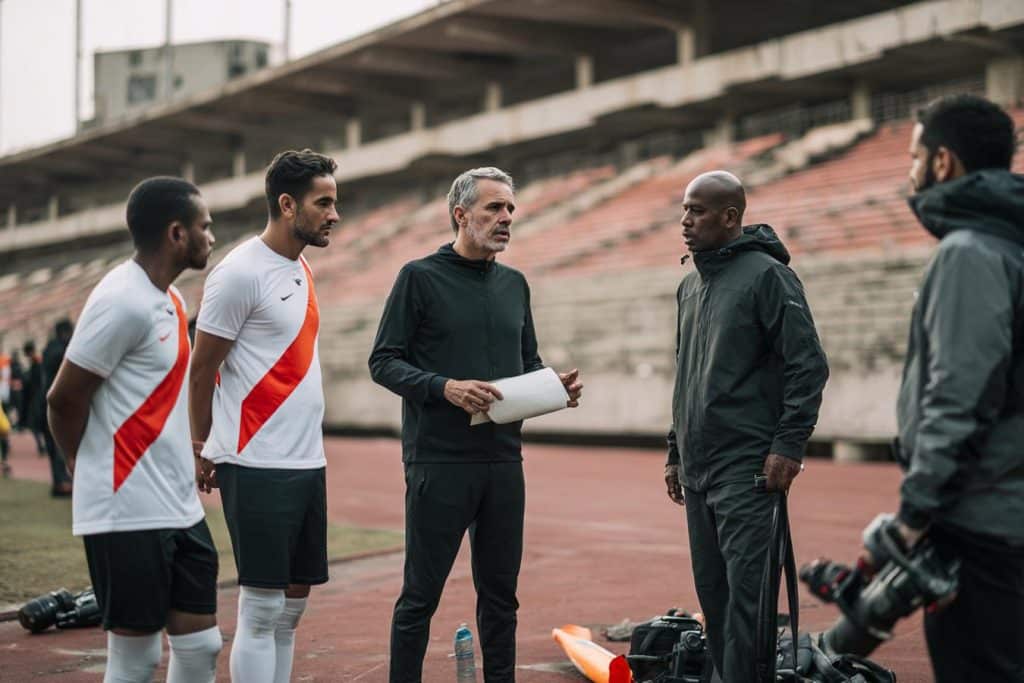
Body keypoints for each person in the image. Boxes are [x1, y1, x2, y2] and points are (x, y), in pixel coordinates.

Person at [369, 166, 583, 683]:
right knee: (420, 596)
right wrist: (445, 386)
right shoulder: (418, 277)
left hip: (503, 462)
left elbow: (526, 362)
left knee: (501, 597)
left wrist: (554, 387)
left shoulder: (515, 284)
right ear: (461, 215)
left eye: (510, 208)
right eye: (495, 208)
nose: (507, 217)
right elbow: (384, 361)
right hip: (438, 461)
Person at [46, 176, 220, 683]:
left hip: (178, 502)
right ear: (176, 234)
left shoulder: (172, 300)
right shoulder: (120, 300)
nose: (211, 236)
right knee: (137, 658)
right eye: (203, 227)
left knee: (202, 645)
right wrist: (80, 462)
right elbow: (63, 397)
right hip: (125, 510)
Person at [879, 93, 1024, 682]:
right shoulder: (1011, 245)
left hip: (981, 516)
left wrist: (915, 513)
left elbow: (959, 396)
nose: (910, 173)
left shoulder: (968, 254)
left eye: (915, 157)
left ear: (943, 164)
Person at [663, 171, 829, 682]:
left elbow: (809, 364)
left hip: (748, 470)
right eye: (684, 211)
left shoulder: (767, 276)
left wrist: (788, 445)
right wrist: (675, 451)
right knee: (714, 602)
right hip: (697, 471)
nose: (685, 222)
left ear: (731, 217)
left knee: (748, 606)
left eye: (697, 211)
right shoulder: (689, 286)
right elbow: (685, 374)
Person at [189, 149, 339, 683]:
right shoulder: (238, 273)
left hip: (306, 461)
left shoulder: (300, 266)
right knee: (260, 609)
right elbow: (202, 368)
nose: (333, 214)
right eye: (323, 203)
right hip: (253, 462)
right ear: (286, 203)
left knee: (293, 608)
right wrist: (199, 446)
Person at [42, 319, 75, 496]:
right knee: (58, 446)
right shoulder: (60, 350)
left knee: (55, 447)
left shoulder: (50, 348)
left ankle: (60, 482)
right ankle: (61, 483)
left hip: (46, 404)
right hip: (54, 406)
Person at [20, 340, 47, 454]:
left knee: (35, 424)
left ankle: (42, 445)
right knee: (38, 424)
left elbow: (33, 381)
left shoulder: (37, 363)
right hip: (37, 396)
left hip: (36, 397)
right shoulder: (37, 362)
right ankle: (42, 445)